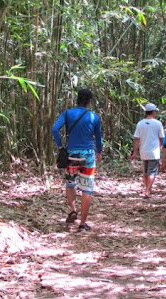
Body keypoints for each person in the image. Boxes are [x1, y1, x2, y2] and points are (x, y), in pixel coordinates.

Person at [52, 89, 103, 232]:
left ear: (77, 99)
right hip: (88, 156)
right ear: (90, 101)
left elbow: (55, 129)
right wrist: (99, 152)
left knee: (70, 183)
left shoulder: (67, 114)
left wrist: (61, 146)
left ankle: (73, 210)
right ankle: (82, 224)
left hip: (71, 155)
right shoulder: (94, 116)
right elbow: (98, 138)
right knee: (87, 189)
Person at [130, 103, 165, 199]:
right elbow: (161, 138)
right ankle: (148, 190)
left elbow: (137, 139)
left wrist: (135, 153)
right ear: (153, 112)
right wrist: (163, 147)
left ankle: (147, 188)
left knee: (145, 172)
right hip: (154, 152)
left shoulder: (140, 123)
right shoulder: (158, 123)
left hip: (143, 151)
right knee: (152, 172)